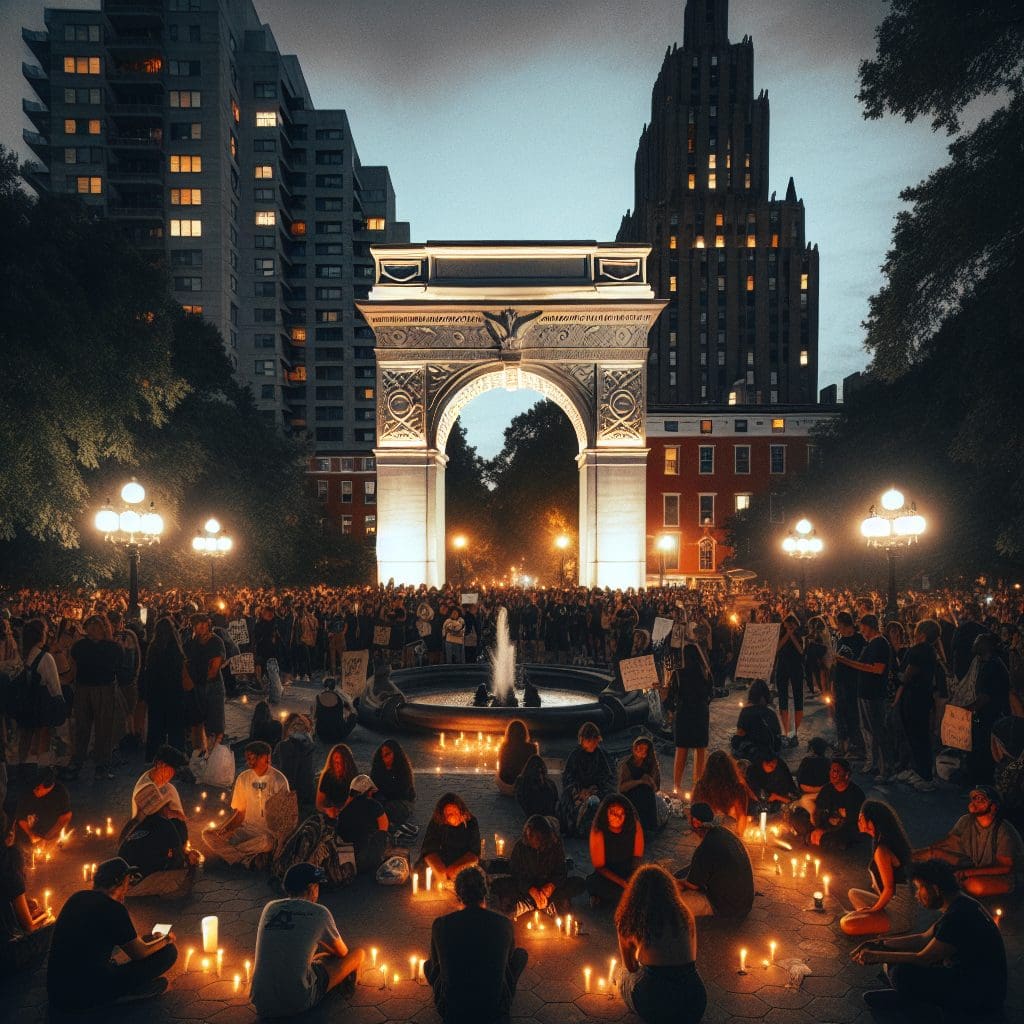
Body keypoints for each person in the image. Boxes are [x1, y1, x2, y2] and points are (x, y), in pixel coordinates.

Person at [853, 859, 1006, 1017]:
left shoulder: (958, 917)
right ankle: (913, 996)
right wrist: (879, 944)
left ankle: (920, 1003)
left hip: (979, 999)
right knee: (896, 960)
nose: (917, 895)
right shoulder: (961, 903)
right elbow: (924, 938)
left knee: (901, 973)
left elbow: (924, 958)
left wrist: (878, 956)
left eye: (919, 888)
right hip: (971, 981)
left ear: (935, 889)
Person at [46, 857, 178, 1010]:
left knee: (145, 941)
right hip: (84, 995)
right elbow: (139, 953)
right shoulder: (113, 909)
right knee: (168, 953)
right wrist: (166, 940)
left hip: (57, 991)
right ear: (119, 882)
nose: (128, 888)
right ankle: (120, 996)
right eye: (127, 882)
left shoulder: (77, 897)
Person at [250, 862, 364, 1018]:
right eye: (318, 886)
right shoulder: (320, 913)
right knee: (357, 954)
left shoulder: (270, 907)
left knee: (317, 958)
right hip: (298, 1001)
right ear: (313, 888)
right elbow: (342, 952)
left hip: (261, 1001)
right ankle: (344, 986)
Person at [425, 864, 527, 1024]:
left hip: (452, 1010)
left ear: (458, 895)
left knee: (428, 965)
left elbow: (433, 967)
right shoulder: (504, 923)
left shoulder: (441, 924)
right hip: (495, 1010)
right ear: (485, 892)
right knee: (520, 955)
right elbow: (506, 963)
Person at [613, 864, 707, 1024]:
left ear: (634, 894)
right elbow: (690, 960)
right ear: (669, 889)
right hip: (694, 1003)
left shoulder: (628, 920)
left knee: (620, 973)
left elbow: (631, 968)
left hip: (654, 1006)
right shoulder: (685, 914)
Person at [913, 785, 1023, 897]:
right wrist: (930, 851)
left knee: (970, 885)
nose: (975, 801)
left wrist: (966, 873)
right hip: (973, 864)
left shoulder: (1003, 830)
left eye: (981, 799)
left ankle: (940, 894)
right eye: (974, 798)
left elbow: (1005, 867)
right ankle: (906, 863)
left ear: (993, 807)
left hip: (1003, 876)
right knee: (932, 853)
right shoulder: (966, 820)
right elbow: (949, 842)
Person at [202, 741, 290, 867]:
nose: (248, 762)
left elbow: (284, 819)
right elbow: (240, 812)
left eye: (252, 758)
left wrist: (279, 841)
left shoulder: (279, 781)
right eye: (247, 758)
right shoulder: (243, 778)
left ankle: (232, 857)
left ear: (265, 758)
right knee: (207, 834)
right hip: (246, 831)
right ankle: (243, 858)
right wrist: (226, 829)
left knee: (265, 843)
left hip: (266, 835)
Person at [840, 800, 917, 936]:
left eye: (861, 819)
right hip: (887, 903)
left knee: (847, 924)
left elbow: (889, 889)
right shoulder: (880, 840)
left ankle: (879, 926)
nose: (858, 822)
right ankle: (872, 922)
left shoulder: (882, 850)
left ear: (871, 822)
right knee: (853, 893)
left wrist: (873, 910)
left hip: (898, 913)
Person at [491, 814, 584, 918]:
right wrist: (531, 890)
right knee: (498, 885)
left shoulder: (554, 844)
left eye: (541, 840)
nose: (539, 844)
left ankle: (527, 905)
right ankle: (548, 904)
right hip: (527, 887)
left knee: (578, 883)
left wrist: (550, 886)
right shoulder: (521, 847)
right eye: (535, 838)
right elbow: (516, 873)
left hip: (547, 886)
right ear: (528, 835)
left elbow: (561, 871)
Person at [674, 802, 754, 920]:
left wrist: (675, 882)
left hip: (730, 909)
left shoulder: (705, 848)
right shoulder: (723, 833)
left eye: (689, 818)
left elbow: (693, 885)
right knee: (682, 874)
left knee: (674, 900)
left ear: (695, 822)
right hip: (745, 902)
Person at [65, 614, 122, 780]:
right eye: (91, 625)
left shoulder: (112, 647)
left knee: (102, 729)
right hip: (87, 688)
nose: (94, 629)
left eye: (97, 626)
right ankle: (82, 762)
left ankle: (99, 764)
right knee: (84, 727)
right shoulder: (80, 646)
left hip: (101, 688)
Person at [836, 613, 892, 781]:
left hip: (874, 694)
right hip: (865, 693)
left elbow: (877, 669)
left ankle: (884, 769)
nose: (860, 630)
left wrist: (847, 662)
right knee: (867, 730)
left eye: (862, 626)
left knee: (877, 730)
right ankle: (872, 763)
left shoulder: (880, 644)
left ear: (869, 626)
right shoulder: (870, 644)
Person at [119, 784, 197, 899]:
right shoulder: (165, 824)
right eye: (167, 806)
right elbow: (178, 858)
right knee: (186, 870)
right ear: (164, 807)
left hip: (121, 877)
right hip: (139, 880)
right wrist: (189, 860)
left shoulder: (134, 823)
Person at [0, 809, 53, 977]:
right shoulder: (9, 867)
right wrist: (44, 919)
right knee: (51, 926)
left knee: (32, 906)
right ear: (9, 837)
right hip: (7, 958)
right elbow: (29, 926)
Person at [893, 619, 939, 792]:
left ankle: (925, 776)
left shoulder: (919, 650)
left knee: (917, 736)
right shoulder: (930, 650)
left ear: (922, 633)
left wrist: (897, 675)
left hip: (914, 698)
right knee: (914, 735)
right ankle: (917, 769)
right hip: (921, 697)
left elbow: (907, 675)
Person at [141, 618, 191, 761]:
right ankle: (178, 757)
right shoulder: (175, 650)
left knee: (156, 729)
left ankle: (154, 757)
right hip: (174, 694)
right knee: (176, 729)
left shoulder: (153, 649)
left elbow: (149, 673)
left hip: (156, 694)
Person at [789, 756, 865, 849]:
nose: (832, 774)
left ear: (846, 775)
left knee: (840, 839)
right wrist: (819, 826)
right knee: (796, 816)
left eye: (836, 771)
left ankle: (816, 838)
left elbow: (857, 820)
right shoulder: (827, 789)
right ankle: (816, 837)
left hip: (842, 829)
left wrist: (842, 818)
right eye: (831, 770)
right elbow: (819, 809)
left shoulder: (856, 793)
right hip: (825, 825)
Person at [557, 721, 614, 837]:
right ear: (583, 740)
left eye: (595, 740)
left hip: (595, 790)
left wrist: (595, 788)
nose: (594, 743)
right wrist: (580, 790)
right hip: (577, 791)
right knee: (573, 805)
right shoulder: (575, 755)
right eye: (590, 741)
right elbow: (568, 777)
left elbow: (606, 776)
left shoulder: (600, 755)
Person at [669, 641, 713, 791]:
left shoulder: (678, 673)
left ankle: (677, 786)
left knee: (682, 749)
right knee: (700, 749)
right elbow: (711, 694)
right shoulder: (705, 672)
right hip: (701, 713)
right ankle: (698, 785)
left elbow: (671, 696)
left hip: (684, 712)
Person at [586, 794, 644, 908]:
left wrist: (631, 876)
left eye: (621, 813)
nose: (617, 817)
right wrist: (622, 882)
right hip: (607, 874)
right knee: (600, 885)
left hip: (628, 870)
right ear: (605, 813)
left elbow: (637, 856)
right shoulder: (598, 831)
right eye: (613, 813)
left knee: (645, 883)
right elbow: (600, 866)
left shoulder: (634, 826)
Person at [416, 792, 481, 882]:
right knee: (422, 874)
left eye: (456, 812)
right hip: (442, 858)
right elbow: (429, 849)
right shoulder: (438, 822)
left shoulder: (471, 822)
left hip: (462, 858)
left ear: (461, 810)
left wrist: (455, 868)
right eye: (450, 814)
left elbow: (474, 852)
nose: (454, 816)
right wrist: (440, 869)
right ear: (444, 815)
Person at [184, 612, 227, 748]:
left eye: (204, 624)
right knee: (197, 721)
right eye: (198, 624)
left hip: (212, 686)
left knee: (214, 721)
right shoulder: (191, 642)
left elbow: (214, 668)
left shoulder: (215, 641)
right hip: (196, 686)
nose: (202, 627)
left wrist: (203, 679)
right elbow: (185, 662)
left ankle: (215, 750)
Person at [334, 774, 389, 873]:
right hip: (368, 860)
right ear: (367, 791)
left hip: (347, 861)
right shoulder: (374, 805)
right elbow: (384, 828)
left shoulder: (343, 811)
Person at [692, 749, 752, 836]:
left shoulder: (701, 785)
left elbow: (694, 814)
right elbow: (742, 816)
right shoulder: (737, 788)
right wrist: (738, 837)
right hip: (714, 829)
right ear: (730, 769)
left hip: (708, 829)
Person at [832, 611, 866, 760]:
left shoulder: (859, 640)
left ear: (844, 624)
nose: (837, 627)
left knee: (853, 716)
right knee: (840, 715)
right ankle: (843, 744)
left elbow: (861, 662)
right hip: (840, 683)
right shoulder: (841, 640)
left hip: (853, 684)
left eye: (838, 624)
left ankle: (857, 746)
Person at [13, 766, 72, 851]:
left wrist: (48, 836)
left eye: (37, 789)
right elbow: (20, 817)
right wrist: (31, 834)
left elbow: (66, 816)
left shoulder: (60, 792)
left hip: (50, 830)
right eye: (34, 787)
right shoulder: (27, 792)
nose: (34, 791)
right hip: (30, 829)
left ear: (48, 789)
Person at [130, 744, 188, 823]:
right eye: (168, 772)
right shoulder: (146, 787)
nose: (168, 777)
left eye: (171, 774)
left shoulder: (168, 787)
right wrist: (173, 814)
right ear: (159, 764)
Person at [618, 736, 664, 833]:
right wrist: (639, 781)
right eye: (638, 747)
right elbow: (621, 788)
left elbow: (656, 788)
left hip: (647, 795)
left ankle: (648, 827)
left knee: (647, 793)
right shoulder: (627, 765)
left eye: (643, 749)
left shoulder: (650, 764)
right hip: (630, 795)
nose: (639, 750)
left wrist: (650, 781)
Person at [369, 738, 417, 829]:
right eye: (382, 755)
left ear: (396, 754)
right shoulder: (378, 768)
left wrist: (382, 793)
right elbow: (374, 786)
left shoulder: (402, 769)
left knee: (388, 809)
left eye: (388, 754)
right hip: (382, 799)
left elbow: (402, 792)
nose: (384, 758)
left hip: (401, 801)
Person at [730, 680, 782, 759]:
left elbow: (739, 736)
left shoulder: (745, 712)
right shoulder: (770, 713)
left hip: (751, 752)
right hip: (768, 752)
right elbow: (777, 736)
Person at [775, 613, 805, 746]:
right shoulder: (781, 633)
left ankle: (795, 731)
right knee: (782, 697)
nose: (788, 627)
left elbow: (800, 650)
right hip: (782, 666)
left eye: (790, 625)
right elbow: (777, 648)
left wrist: (792, 635)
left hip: (796, 667)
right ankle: (785, 729)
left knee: (798, 696)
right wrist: (787, 634)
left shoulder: (799, 634)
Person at [743, 748, 797, 816]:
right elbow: (750, 789)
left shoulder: (780, 769)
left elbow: (791, 794)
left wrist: (777, 797)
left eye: (774, 763)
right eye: (769, 765)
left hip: (780, 799)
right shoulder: (753, 770)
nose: (772, 766)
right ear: (763, 762)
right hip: (759, 800)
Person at [315, 743, 359, 819]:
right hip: (332, 813)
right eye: (335, 762)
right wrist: (327, 810)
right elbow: (319, 804)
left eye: (340, 762)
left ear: (347, 763)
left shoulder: (354, 777)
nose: (337, 766)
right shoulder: (328, 776)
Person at [495, 719, 539, 796]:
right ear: (524, 733)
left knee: (498, 771)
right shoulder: (532, 747)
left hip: (506, 785)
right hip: (524, 787)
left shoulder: (504, 747)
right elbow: (536, 767)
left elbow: (501, 766)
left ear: (508, 733)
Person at [311, 676, 357, 743]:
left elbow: (314, 716)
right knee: (353, 716)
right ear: (334, 686)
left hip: (322, 734)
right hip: (337, 735)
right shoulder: (340, 698)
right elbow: (351, 710)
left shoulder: (317, 697)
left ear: (324, 685)